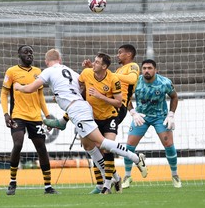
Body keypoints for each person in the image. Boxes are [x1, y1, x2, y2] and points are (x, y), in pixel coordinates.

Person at [14, 48, 148, 194]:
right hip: (82, 107)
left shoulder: (48, 71)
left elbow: (30, 89)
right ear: (60, 60)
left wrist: (18, 86)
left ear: (47, 62)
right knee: (88, 145)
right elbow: (81, 86)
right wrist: (59, 95)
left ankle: (136, 158)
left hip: (78, 111)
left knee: (101, 143)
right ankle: (114, 177)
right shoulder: (70, 71)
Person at [0, 45, 58, 195]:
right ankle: (12, 182)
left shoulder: (38, 72)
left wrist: (47, 114)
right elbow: (4, 93)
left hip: (35, 117)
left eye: (31, 53)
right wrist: (6, 114)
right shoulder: (11, 71)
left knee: (41, 148)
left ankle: (48, 186)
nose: (29, 55)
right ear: (19, 54)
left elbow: (40, 96)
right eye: (26, 52)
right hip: (18, 114)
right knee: (18, 143)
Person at [123, 59, 182, 188]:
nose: (146, 71)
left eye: (149, 68)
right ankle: (127, 176)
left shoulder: (164, 82)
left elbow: (174, 96)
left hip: (160, 117)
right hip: (141, 117)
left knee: (169, 144)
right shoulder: (135, 82)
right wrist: (133, 112)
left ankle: (175, 175)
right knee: (129, 146)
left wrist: (171, 114)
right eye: (144, 68)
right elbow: (125, 97)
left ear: (156, 70)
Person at [79, 53, 126, 194]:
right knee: (94, 150)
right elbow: (79, 85)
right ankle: (115, 178)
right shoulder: (87, 73)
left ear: (104, 66)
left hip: (110, 117)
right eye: (94, 61)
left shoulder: (113, 79)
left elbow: (118, 102)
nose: (94, 64)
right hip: (92, 118)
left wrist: (100, 96)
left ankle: (106, 185)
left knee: (107, 147)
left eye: (97, 62)